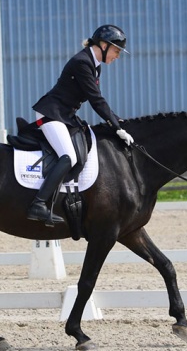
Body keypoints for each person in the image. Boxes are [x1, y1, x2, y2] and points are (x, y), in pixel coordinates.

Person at [27, 24, 134, 225]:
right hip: (51, 114)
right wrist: (116, 127)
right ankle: (38, 204)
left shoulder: (95, 65)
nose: (117, 56)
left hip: (64, 116)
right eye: (116, 50)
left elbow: (97, 99)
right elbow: (96, 100)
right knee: (68, 156)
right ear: (103, 45)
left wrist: (118, 120)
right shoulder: (82, 62)